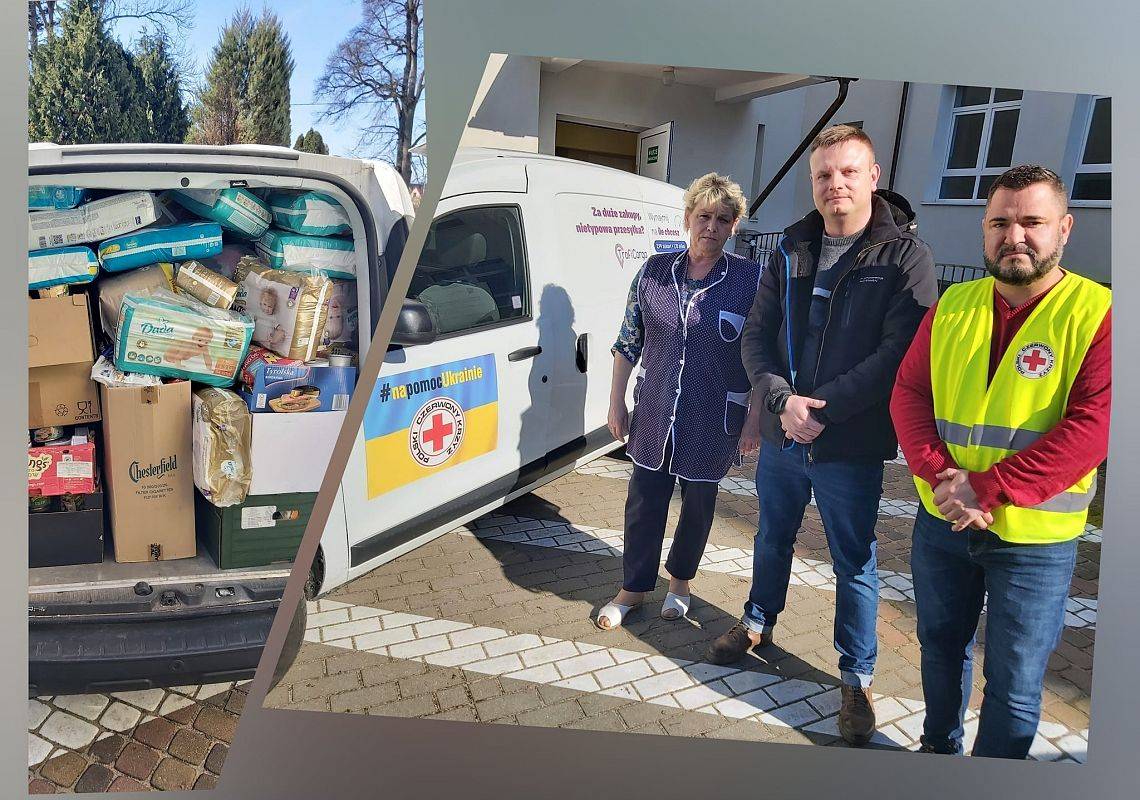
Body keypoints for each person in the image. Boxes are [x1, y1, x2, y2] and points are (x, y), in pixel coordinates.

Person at [705, 125, 938, 747]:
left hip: (848, 444)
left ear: (873, 175)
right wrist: (781, 401)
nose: (835, 184)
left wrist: (822, 411)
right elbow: (756, 337)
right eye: (823, 175)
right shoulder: (789, 249)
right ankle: (758, 622)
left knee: (854, 561)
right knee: (771, 536)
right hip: (785, 434)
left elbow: (899, 355)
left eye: (847, 172)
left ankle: (856, 678)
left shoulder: (904, 257)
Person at [890, 165, 1111, 759]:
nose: (1015, 236)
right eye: (1000, 222)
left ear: (1065, 228)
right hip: (943, 523)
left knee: (1013, 685)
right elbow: (909, 394)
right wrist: (944, 479)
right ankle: (938, 751)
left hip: (1035, 541)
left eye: (1032, 222)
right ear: (984, 230)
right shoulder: (953, 305)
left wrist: (987, 489)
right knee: (939, 649)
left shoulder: (1099, 312)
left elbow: (1096, 427)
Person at [596, 173, 763, 630]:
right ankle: (632, 589)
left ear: (734, 228)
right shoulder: (653, 271)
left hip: (714, 417)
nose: (711, 225)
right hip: (654, 413)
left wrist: (754, 420)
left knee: (698, 506)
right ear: (688, 218)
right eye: (704, 215)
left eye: (723, 219)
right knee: (644, 502)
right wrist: (616, 404)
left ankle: (680, 584)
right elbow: (628, 341)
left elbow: (764, 354)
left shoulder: (750, 280)